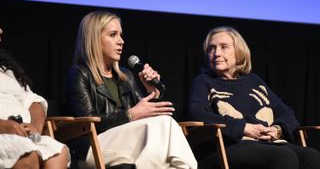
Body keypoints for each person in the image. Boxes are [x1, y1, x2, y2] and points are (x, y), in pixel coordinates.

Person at [65, 11, 197, 169]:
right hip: (94, 145)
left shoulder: (125, 76)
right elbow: (86, 124)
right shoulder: (79, 74)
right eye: (113, 35)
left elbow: (149, 118)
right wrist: (129, 115)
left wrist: (152, 93)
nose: (121, 41)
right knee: (164, 125)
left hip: (130, 143)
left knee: (165, 130)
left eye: (120, 35)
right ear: (93, 39)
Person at [187, 26, 320, 169]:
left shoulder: (254, 81)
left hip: (268, 144)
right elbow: (196, 113)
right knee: (283, 156)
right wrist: (242, 127)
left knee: (311, 156)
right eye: (211, 48)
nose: (216, 53)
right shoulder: (203, 81)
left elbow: (287, 113)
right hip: (230, 146)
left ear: (239, 52)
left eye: (223, 47)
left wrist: (277, 130)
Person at [0, 27, 70, 169]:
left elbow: (34, 101)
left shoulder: (6, 71)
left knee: (57, 153)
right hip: (5, 136)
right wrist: (3, 125)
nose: (1, 31)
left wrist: (36, 127)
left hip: (24, 135)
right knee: (26, 154)